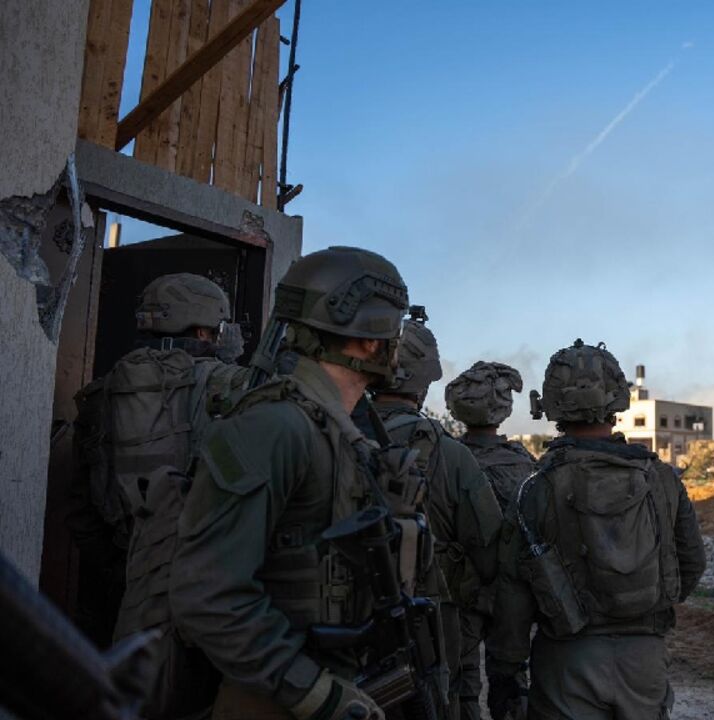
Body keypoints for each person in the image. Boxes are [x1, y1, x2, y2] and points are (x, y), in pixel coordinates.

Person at [169, 246, 414, 720]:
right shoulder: (276, 427)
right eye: (394, 328)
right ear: (368, 340)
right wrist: (315, 695)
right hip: (278, 698)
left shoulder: (343, 429)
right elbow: (208, 593)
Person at [486, 340, 706, 720]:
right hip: (645, 660)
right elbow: (692, 563)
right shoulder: (663, 479)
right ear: (618, 400)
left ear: (550, 406)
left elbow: (513, 593)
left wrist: (505, 671)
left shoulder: (536, 488)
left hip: (567, 661)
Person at [67, 272, 247, 647]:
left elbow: (81, 509)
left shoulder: (103, 392)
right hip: (212, 589)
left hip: (129, 581)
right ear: (203, 330)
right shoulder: (234, 386)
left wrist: (128, 569)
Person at [363, 317, 504, 720]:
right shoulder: (453, 455)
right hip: (433, 618)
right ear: (425, 381)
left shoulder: (334, 435)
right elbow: (491, 547)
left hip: (346, 616)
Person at [444, 361, 538, 719]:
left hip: (461, 589)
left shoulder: (446, 457)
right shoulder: (523, 462)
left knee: (462, 679)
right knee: (512, 678)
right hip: (510, 591)